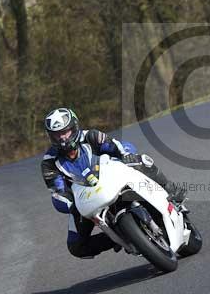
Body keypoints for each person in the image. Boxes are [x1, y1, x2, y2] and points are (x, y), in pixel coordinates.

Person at [40, 107, 187, 259]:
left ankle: (170, 190)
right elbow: (57, 191)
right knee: (76, 246)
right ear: (50, 137)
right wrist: (69, 204)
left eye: (66, 132)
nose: (63, 138)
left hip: (112, 177)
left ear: (75, 127)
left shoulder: (91, 136)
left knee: (141, 160)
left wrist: (126, 155)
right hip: (84, 199)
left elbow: (117, 146)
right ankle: (119, 237)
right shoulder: (49, 163)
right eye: (57, 135)